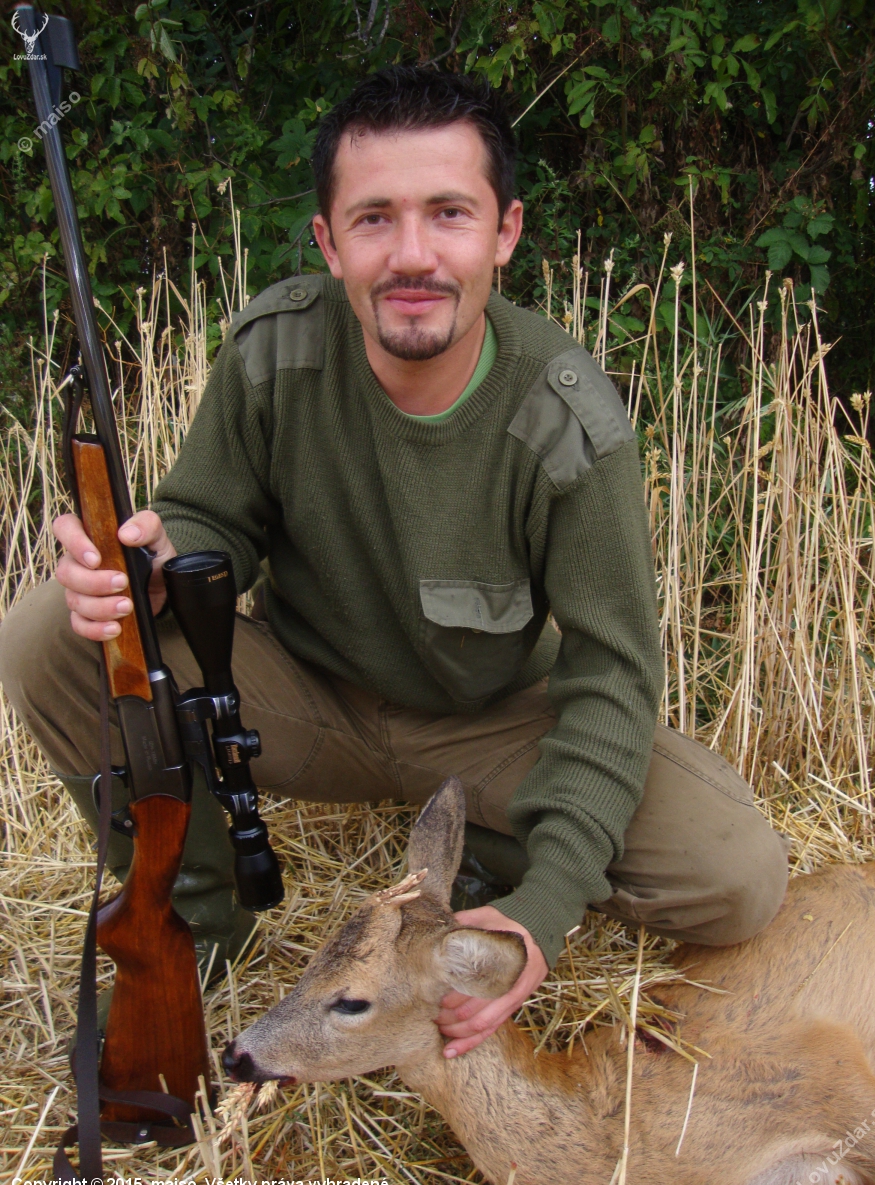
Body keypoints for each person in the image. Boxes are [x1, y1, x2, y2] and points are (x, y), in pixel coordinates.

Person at [0, 66, 788, 1060]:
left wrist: (541, 913)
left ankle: (490, 848)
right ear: (330, 243)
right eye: (374, 219)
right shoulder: (275, 350)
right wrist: (162, 566)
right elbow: (208, 515)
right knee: (49, 633)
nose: (412, 255)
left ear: (504, 233)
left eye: (449, 213)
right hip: (306, 704)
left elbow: (611, 679)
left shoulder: (569, 420)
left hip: (488, 723)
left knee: (737, 876)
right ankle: (195, 916)